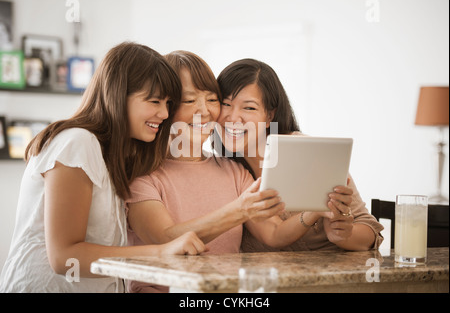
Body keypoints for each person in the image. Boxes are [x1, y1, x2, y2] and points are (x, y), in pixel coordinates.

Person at [125, 50, 350, 293]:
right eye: (189, 101)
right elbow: (166, 240)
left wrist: (316, 208)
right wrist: (238, 210)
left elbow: (274, 233)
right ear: (166, 108)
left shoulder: (233, 171)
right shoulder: (143, 176)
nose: (205, 110)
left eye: (212, 100)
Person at [0, 42, 206, 293]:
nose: (164, 114)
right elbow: (65, 258)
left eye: (168, 103)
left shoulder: (111, 155)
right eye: (154, 101)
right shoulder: (77, 143)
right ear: (119, 95)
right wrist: (161, 252)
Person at [214, 58, 384, 253]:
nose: (234, 118)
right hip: (269, 279)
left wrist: (343, 234)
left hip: (332, 273)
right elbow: (274, 233)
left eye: (249, 107)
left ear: (269, 116)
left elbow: (369, 230)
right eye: (225, 104)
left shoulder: (310, 154)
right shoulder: (223, 171)